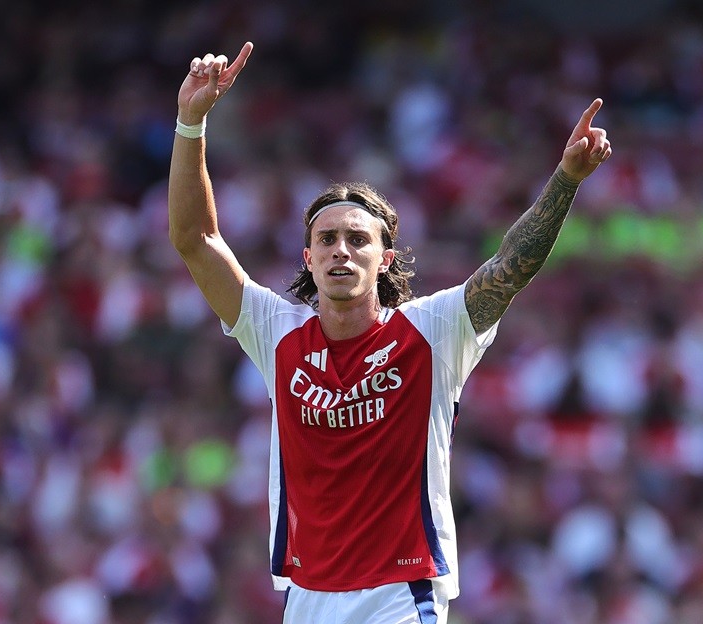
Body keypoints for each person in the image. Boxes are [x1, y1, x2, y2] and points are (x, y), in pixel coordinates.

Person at [168, 41, 612, 624]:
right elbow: (195, 240)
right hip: (307, 596)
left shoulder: (433, 330)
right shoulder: (276, 331)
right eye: (327, 240)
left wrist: (566, 179)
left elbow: (511, 267)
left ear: (386, 258)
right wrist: (191, 121)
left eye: (358, 239)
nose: (341, 251)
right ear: (307, 257)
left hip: (401, 594)